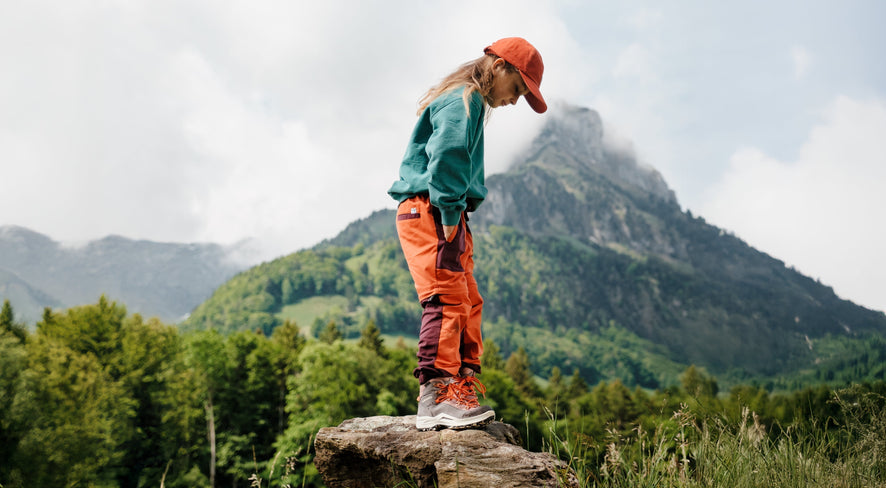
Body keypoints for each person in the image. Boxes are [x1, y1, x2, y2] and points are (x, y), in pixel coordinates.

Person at [388, 37, 547, 430]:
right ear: (499, 67)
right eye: (518, 89)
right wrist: (448, 217)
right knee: (445, 297)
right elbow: (448, 156)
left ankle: (461, 386)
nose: (515, 101)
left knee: (469, 299)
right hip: (433, 209)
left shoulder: (470, 100)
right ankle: (437, 396)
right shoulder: (466, 99)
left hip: (447, 211)